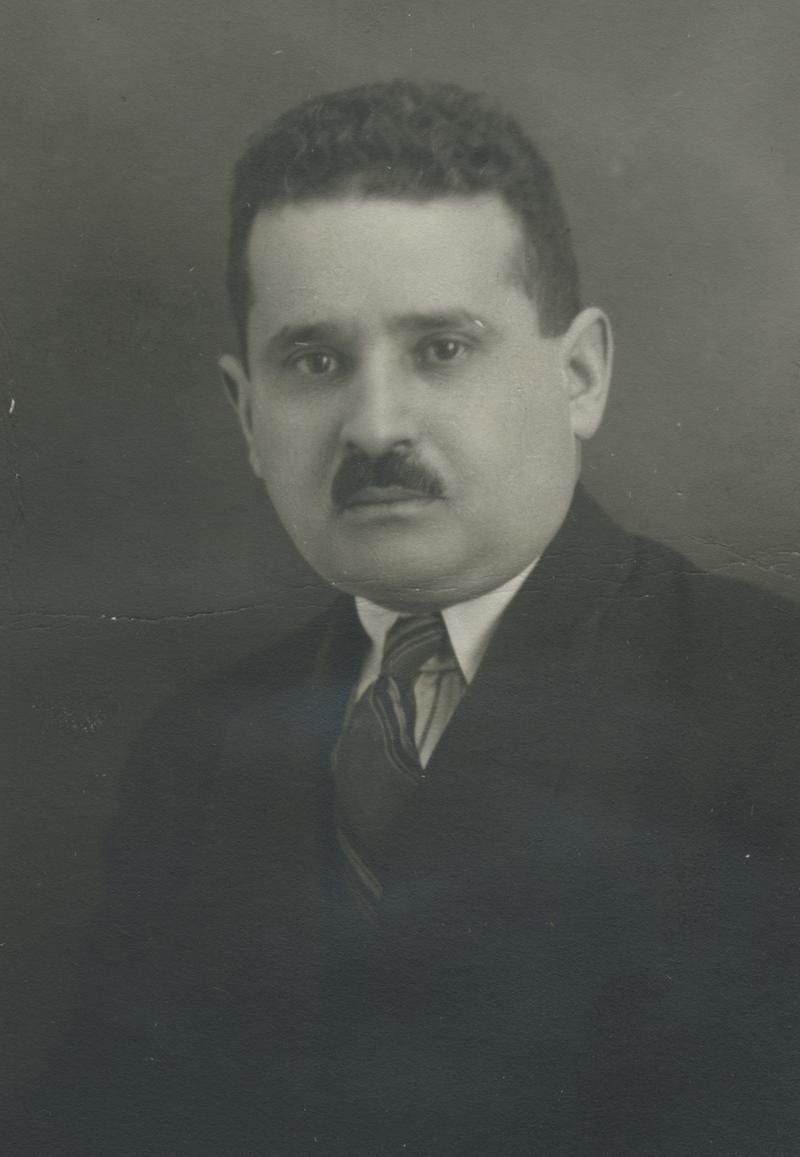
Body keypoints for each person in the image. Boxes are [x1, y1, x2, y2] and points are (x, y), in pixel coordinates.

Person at [55, 80, 800, 1156]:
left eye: (441, 348)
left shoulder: (771, 699)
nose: (374, 425)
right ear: (247, 413)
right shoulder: (192, 761)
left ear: (579, 374)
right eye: (315, 361)